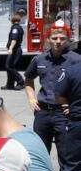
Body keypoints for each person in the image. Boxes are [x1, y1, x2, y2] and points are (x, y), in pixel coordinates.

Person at [23, 21, 81, 155]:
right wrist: (31, 98)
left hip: (64, 114)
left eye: (62, 38)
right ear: (48, 39)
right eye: (54, 38)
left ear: (68, 40)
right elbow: (28, 79)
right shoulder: (40, 59)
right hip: (42, 113)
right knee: (40, 153)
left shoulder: (76, 60)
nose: (58, 41)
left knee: (66, 154)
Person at [56, 58, 81, 171]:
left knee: (72, 163)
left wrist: (67, 105)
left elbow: (58, 95)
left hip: (78, 122)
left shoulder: (72, 70)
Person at [5, 11, 26, 91]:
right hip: (16, 49)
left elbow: (14, 39)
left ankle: (21, 82)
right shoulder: (18, 27)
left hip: (15, 50)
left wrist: (10, 48)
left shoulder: (15, 28)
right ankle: (10, 84)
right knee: (10, 67)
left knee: (8, 66)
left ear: (13, 20)